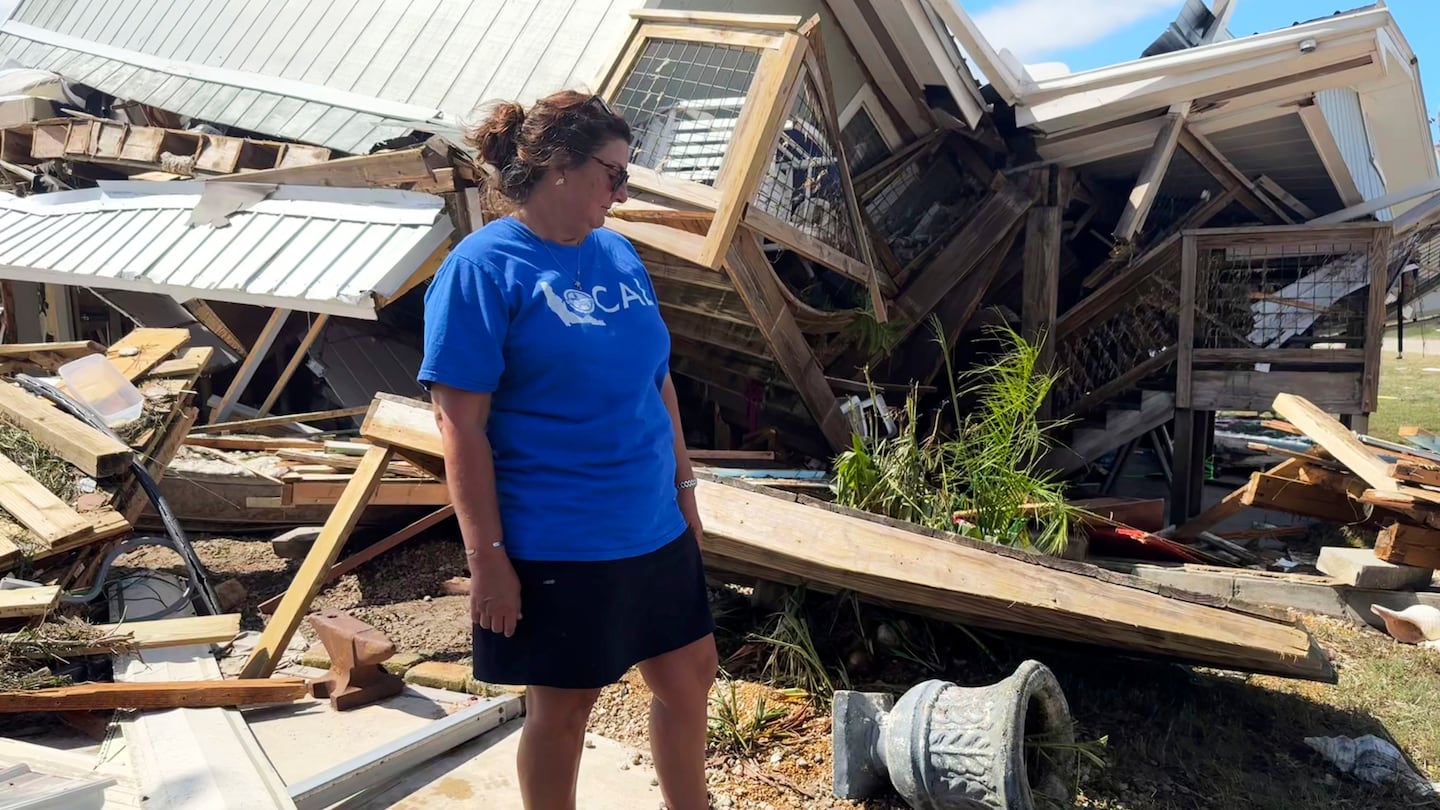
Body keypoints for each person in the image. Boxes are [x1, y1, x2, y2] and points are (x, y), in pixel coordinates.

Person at [417, 89, 718, 810]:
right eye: (614, 174)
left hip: (651, 524)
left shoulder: (618, 253)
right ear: (558, 166)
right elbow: (459, 426)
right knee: (565, 709)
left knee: (691, 676)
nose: (623, 190)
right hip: (558, 538)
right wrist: (487, 559)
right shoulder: (484, 269)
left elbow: (658, 381)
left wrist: (685, 495)